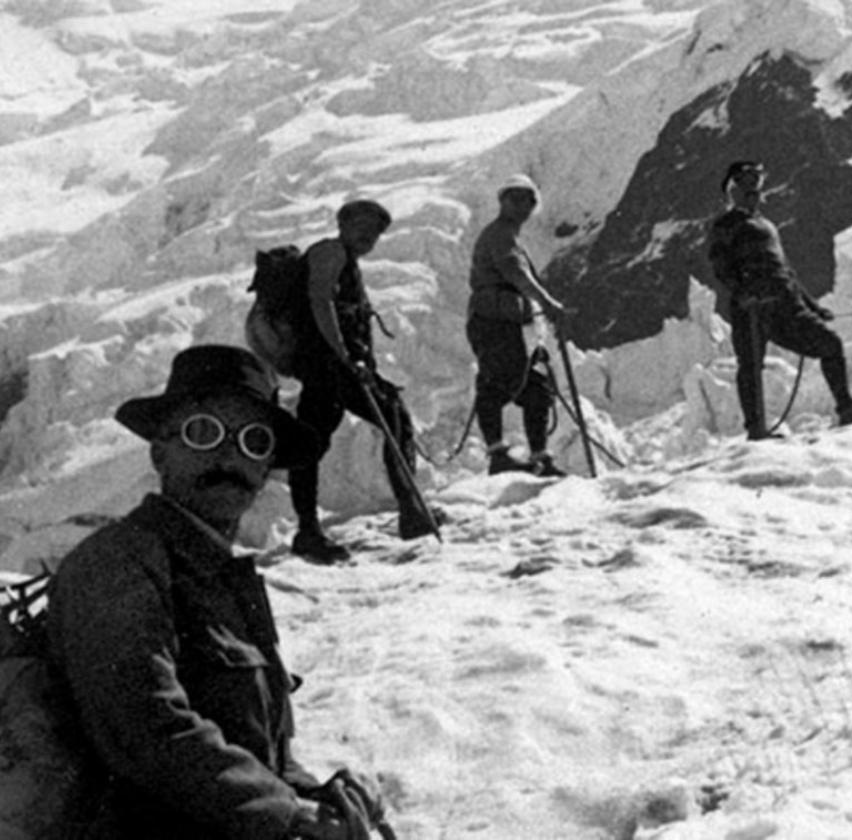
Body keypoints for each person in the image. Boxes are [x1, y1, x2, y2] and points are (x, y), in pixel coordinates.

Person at [47, 344, 383, 839]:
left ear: (267, 467)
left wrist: (314, 797)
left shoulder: (228, 580)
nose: (230, 456)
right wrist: (290, 815)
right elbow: (146, 728)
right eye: (203, 432)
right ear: (160, 452)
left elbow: (262, 755)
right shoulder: (116, 562)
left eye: (254, 442)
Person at [289, 199, 437, 562]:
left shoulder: (342, 258)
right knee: (390, 420)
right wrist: (343, 354)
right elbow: (320, 301)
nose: (369, 236)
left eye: (375, 232)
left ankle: (310, 529)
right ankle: (411, 512)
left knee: (315, 440)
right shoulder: (330, 252)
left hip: (332, 367)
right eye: (363, 227)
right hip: (332, 367)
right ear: (343, 224)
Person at [707, 160, 852, 439]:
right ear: (732, 191)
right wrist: (743, 293)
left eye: (756, 185)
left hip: (785, 306)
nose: (753, 191)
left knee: (830, 343)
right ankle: (756, 429)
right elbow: (721, 266)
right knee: (751, 367)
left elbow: (786, 272)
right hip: (751, 309)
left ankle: (847, 409)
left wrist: (812, 306)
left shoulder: (767, 225)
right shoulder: (725, 225)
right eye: (746, 185)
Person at [466, 174, 568, 476]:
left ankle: (539, 457)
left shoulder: (507, 236)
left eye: (529, 200)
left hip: (509, 322)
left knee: (535, 387)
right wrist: (549, 303)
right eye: (517, 199)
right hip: (494, 321)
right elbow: (516, 275)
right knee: (500, 381)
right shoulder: (501, 237)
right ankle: (499, 455)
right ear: (503, 201)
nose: (524, 205)